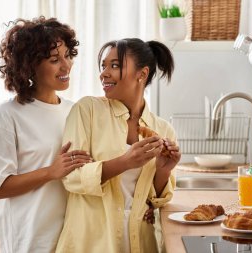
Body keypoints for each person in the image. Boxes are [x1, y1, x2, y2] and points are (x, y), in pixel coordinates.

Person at [56, 38, 181, 253]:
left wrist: (164, 170)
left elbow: (155, 201)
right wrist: (125, 162)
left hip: (140, 241)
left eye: (114, 65)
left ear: (142, 74)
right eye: (103, 66)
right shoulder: (88, 110)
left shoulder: (163, 129)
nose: (104, 73)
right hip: (91, 242)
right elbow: (72, 177)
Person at [0, 17, 92, 253]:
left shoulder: (75, 111)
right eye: (54, 60)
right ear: (29, 66)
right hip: (30, 240)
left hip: (72, 237)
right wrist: (50, 172)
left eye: (67, 55)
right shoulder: (9, 115)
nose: (66, 65)